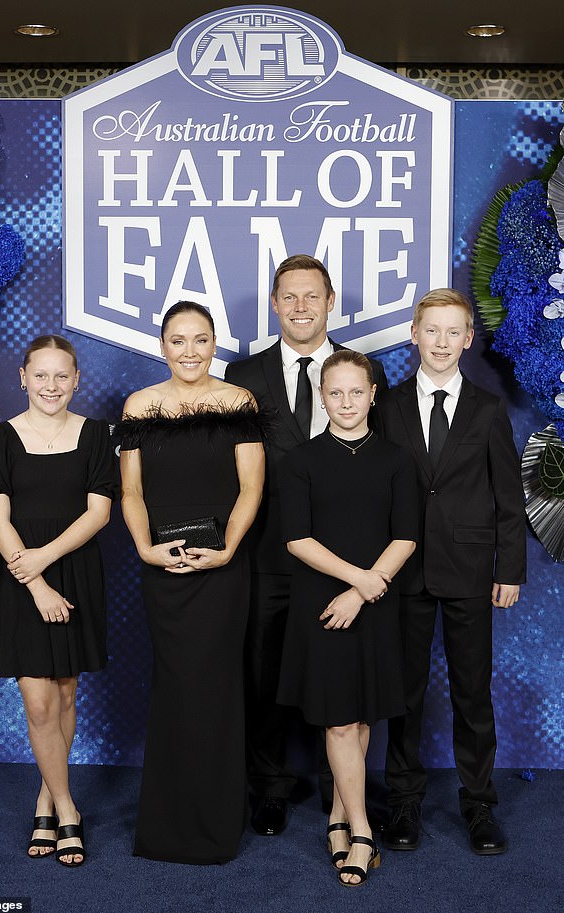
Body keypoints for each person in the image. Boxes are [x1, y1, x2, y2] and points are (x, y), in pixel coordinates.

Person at [225, 254, 389, 835]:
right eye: (289, 297)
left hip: (344, 560)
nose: (300, 307)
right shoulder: (243, 377)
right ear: (275, 304)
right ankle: (269, 785)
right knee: (265, 671)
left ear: (330, 300)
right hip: (268, 551)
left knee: (342, 674)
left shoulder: (363, 372)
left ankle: (340, 793)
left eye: (311, 296)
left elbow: (376, 471)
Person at [378, 289, 526, 855]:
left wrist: (508, 569)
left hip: (469, 568)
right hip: (404, 570)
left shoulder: (487, 410)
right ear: (414, 335)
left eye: (452, 333)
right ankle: (404, 803)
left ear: (468, 339)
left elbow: (507, 498)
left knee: (472, 693)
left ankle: (479, 804)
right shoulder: (386, 406)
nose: (440, 343)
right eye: (430, 331)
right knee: (405, 693)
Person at [118, 301, 266, 864]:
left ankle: (216, 824)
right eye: (178, 340)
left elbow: (251, 486)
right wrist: (145, 550)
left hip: (223, 568)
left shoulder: (238, 403)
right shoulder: (139, 406)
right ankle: (166, 825)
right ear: (162, 345)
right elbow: (131, 493)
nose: (189, 351)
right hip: (161, 567)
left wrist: (226, 548)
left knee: (217, 686)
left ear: (214, 345)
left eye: (200, 340)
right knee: (175, 687)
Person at [0, 334, 117, 867]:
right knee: (37, 700)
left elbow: (99, 513)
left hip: (74, 568)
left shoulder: (97, 435)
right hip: (20, 575)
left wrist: (44, 561)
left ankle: (45, 797)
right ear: (23, 378)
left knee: (66, 692)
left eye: (62, 376)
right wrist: (33, 580)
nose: (51, 386)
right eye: (41, 375)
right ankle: (68, 810)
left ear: (77, 380)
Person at [277, 349, 417, 886]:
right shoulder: (302, 462)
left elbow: (405, 535)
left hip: (375, 605)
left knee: (360, 719)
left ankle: (338, 813)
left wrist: (364, 589)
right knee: (338, 718)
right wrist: (356, 581)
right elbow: (297, 539)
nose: (347, 402)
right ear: (321, 397)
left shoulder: (398, 460)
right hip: (323, 604)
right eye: (335, 393)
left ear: (373, 394)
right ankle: (361, 829)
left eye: (356, 392)